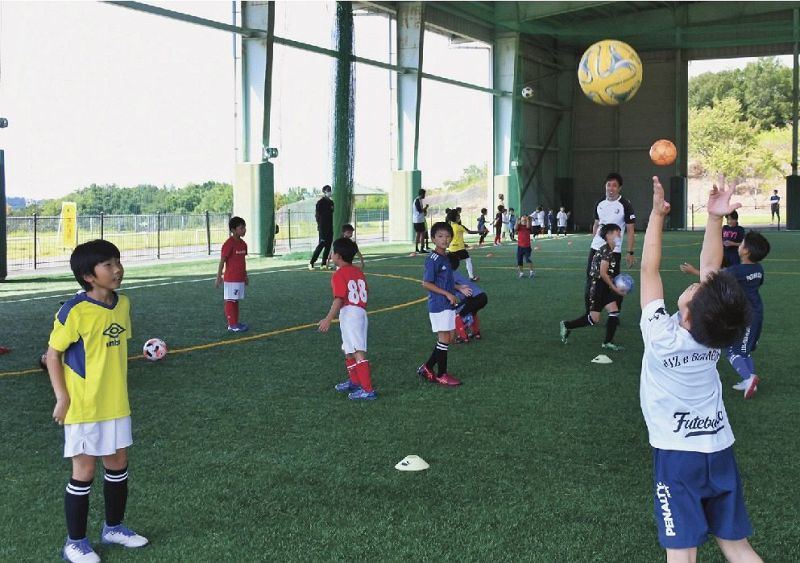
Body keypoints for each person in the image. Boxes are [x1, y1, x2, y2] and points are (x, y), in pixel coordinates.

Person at [639, 178, 761, 562]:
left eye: (696, 291)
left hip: (678, 457)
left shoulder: (661, 336)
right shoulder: (718, 334)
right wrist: (713, 217)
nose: (696, 286)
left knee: (682, 554)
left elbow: (648, 270)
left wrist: (657, 215)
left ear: (688, 314)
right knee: (736, 546)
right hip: (719, 449)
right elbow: (710, 268)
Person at [45, 239, 149, 563]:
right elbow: (52, 355)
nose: (117, 269)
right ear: (89, 275)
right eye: (108, 264)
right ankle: (74, 542)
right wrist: (62, 397)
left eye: (118, 261)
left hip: (116, 403)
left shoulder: (123, 304)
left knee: (118, 465)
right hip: (84, 406)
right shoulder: (73, 311)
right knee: (84, 471)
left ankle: (113, 527)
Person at [680, 230, 771, 399]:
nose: (740, 244)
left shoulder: (737, 271)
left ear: (746, 251)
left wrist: (693, 270)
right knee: (745, 351)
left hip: (746, 316)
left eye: (742, 243)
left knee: (732, 351)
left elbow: (712, 278)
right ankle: (748, 379)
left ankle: (749, 378)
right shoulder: (758, 269)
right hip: (756, 312)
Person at [318, 237, 376, 401]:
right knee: (348, 349)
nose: (331, 255)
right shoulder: (358, 271)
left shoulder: (338, 274)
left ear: (338, 256)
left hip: (351, 313)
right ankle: (355, 382)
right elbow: (365, 290)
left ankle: (367, 390)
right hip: (358, 312)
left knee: (357, 351)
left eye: (332, 252)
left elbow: (339, 299)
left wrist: (328, 319)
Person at [417, 221, 471, 387]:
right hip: (439, 304)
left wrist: (458, 287)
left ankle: (426, 367)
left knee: (447, 338)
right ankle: (441, 374)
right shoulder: (433, 259)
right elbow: (426, 283)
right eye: (440, 236)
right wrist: (447, 293)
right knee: (445, 338)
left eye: (448, 236)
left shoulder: (445, 257)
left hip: (447, 303)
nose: (444, 239)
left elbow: (445, 281)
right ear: (433, 239)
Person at [560, 224, 626, 351]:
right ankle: (567, 325)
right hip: (597, 286)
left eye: (620, 233)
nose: (620, 235)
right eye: (616, 233)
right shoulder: (606, 250)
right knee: (593, 319)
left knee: (614, 311)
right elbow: (602, 273)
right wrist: (615, 287)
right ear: (608, 235)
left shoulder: (609, 250)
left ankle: (607, 342)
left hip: (603, 285)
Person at [587, 173, 636, 312]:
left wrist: (630, 252)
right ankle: (590, 311)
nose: (611, 188)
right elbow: (596, 224)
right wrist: (594, 241)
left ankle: (615, 313)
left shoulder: (625, 205)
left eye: (614, 185)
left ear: (619, 188)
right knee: (591, 279)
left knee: (614, 281)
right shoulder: (599, 203)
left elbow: (631, 230)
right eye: (609, 184)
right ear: (605, 186)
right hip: (596, 248)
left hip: (614, 250)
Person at [216, 216, 249, 332]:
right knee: (230, 300)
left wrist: (245, 275)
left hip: (240, 278)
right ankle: (232, 325)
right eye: (241, 228)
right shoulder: (228, 244)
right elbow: (222, 261)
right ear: (233, 230)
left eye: (244, 227)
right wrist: (218, 276)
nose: (244, 230)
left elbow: (242, 262)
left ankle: (235, 322)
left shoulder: (243, 244)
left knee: (236, 301)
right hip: (231, 279)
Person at [449, 254, 488, 343]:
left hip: (475, 298)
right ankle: (476, 333)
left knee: (457, 314)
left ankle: (463, 337)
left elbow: (448, 285)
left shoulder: (449, 275)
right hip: (482, 296)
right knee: (473, 312)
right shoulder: (456, 274)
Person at [446, 208, 479, 281]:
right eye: (458, 216)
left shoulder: (449, 226)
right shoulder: (459, 226)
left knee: (451, 265)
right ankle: (471, 277)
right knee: (468, 260)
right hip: (459, 249)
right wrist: (480, 231)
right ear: (456, 217)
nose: (459, 217)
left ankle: (442, 276)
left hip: (451, 248)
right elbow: (469, 232)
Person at [309, 184, 335, 270]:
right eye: (328, 190)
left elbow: (331, 214)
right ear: (324, 192)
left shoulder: (331, 203)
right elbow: (317, 215)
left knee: (328, 245)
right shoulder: (320, 203)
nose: (330, 192)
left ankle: (323, 264)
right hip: (322, 228)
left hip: (330, 227)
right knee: (321, 245)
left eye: (330, 190)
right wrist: (319, 226)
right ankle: (311, 263)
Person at [515, 214, 535, 279]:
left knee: (528, 259)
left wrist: (528, 219)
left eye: (525, 219)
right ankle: (521, 273)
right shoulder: (519, 226)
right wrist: (517, 221)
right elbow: (515, 228)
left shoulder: (528, 227)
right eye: (522, 219)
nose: (523, 220)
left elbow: (529, 226)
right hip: (520, 247)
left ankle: (531, 272)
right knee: (519, 261)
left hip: (527, 247)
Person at [412, 188, 429, 253]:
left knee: (418, 234)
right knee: (422, 234)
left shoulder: (418, 200)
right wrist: (426, 207)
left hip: (417, 220)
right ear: (422, 194)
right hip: (419, 220)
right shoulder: (417, 200)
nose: (425, 195)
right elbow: (419, 210)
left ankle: (417, 248)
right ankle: (421, 248)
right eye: (424, 194)